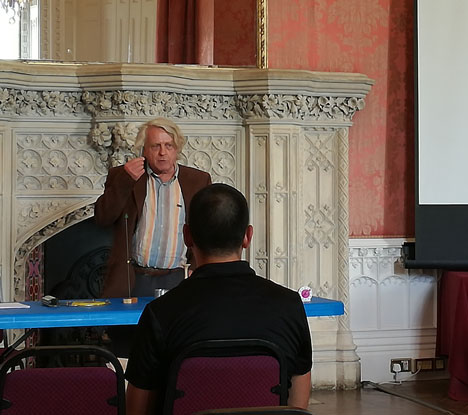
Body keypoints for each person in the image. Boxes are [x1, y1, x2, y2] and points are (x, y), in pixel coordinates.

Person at [125, 183, 312, 414]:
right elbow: (297, 404)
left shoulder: (160, 313)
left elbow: (136, 409)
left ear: (187, 236)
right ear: (248, 236)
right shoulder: (290, 305)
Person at [95, 117, 211, 298]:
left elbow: (207, 232)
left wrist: (198, 268)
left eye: (169, 146)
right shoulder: (124, 176)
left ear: (177, 148)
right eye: (155, 146)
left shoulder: (198, 181)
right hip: (134, 278)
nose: (162, 153)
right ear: (144, 150)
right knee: (134, 327)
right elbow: (103, 218)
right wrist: (125, 182)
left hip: (180, 278)